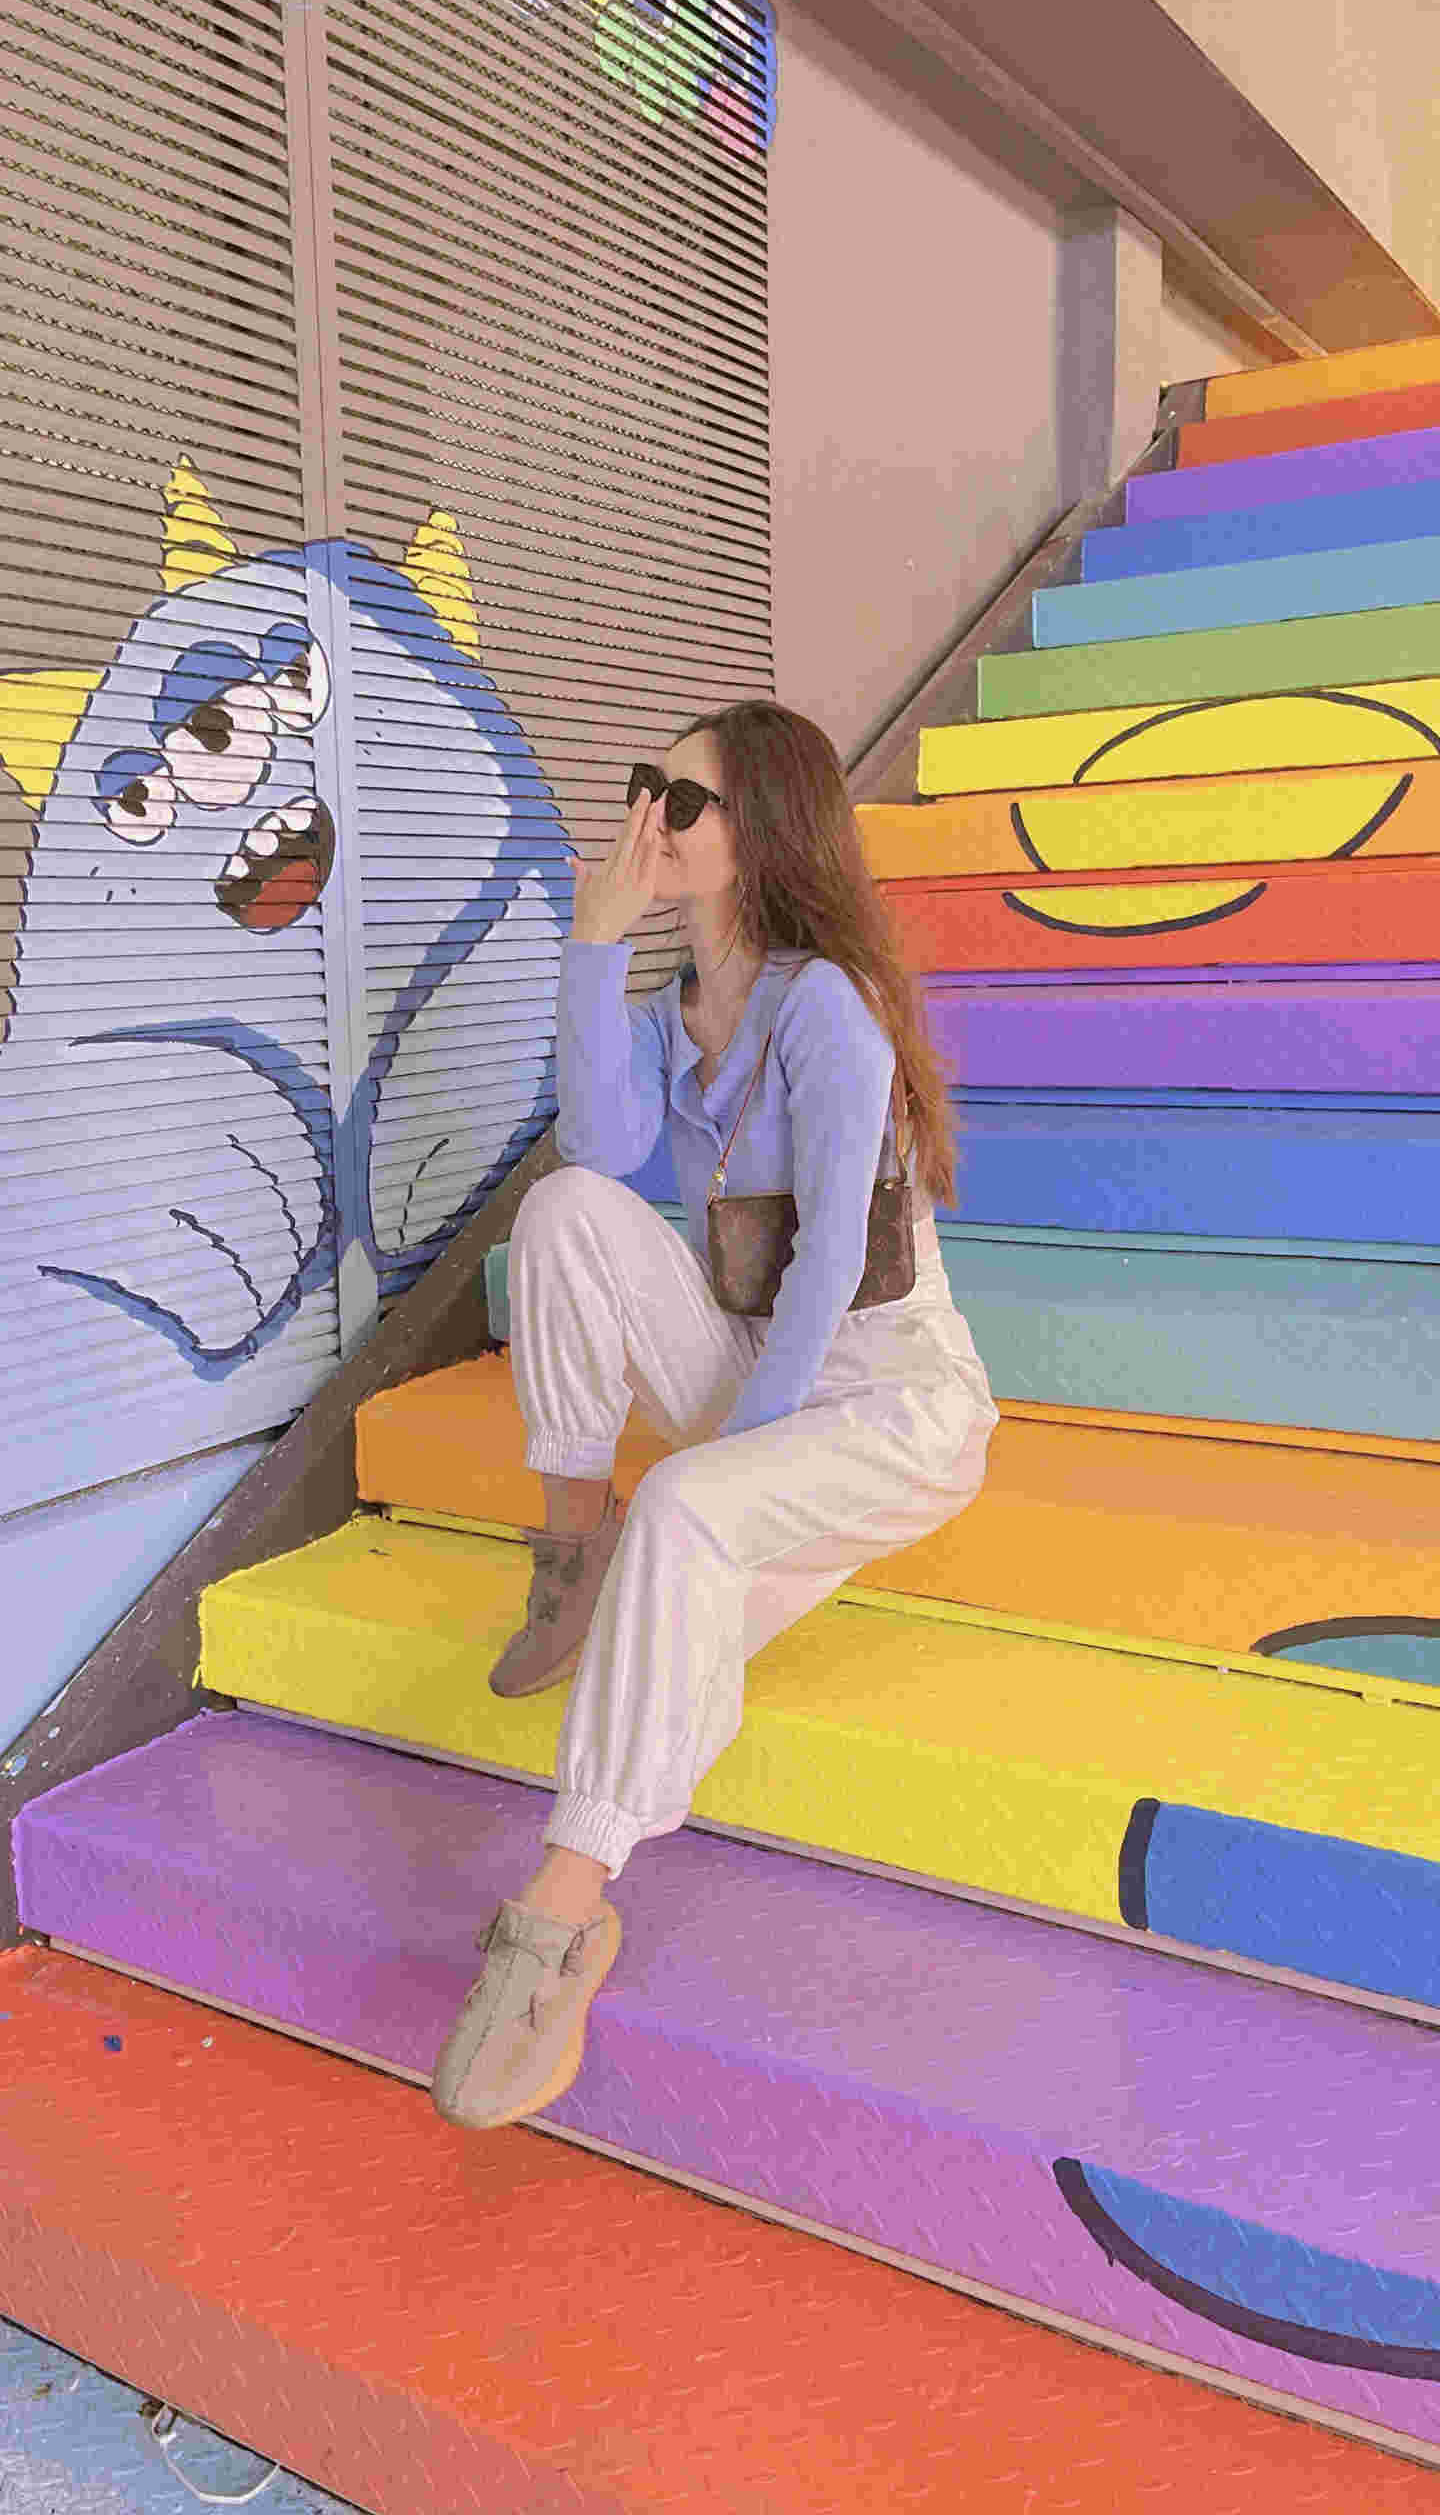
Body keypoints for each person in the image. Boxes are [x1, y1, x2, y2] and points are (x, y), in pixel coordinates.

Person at [430, 700, 999, 2130]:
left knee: (688, 1518)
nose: (649, 821)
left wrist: (744, 1452)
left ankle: (562, 1915)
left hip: (884, 1395)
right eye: (645, 789)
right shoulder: (669, 1013)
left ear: (762, 832)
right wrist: (593, 943)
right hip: (749, 1354)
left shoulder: (826, 1003)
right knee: (564, 1209)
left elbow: (830, 1258)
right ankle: (575, 1553)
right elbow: (602, 1148)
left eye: (680, 802)